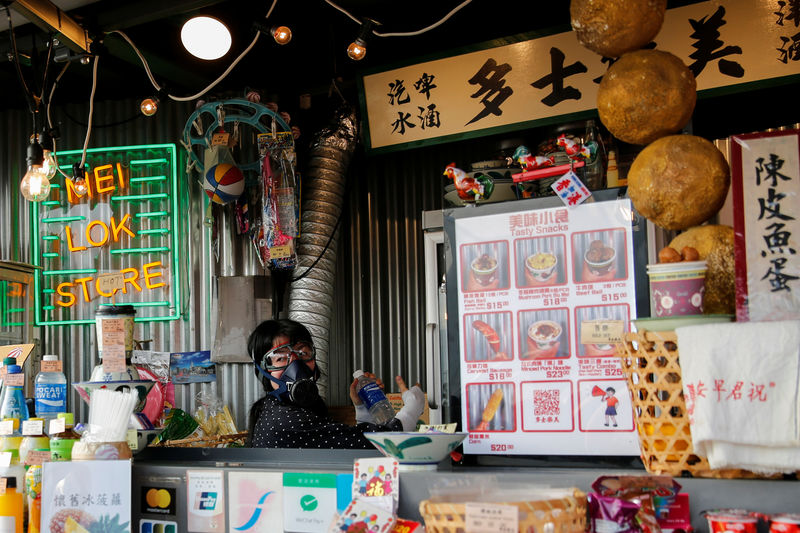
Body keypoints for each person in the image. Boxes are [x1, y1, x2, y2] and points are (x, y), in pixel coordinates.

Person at [247, 318, 425, 448]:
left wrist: (362, 408)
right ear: (263, 372)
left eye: (303, 353)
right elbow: (384, 444)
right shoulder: (284, 420)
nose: (296, 365)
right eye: (280, 358)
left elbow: (350, 445)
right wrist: (413, 406)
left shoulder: (277, 409)